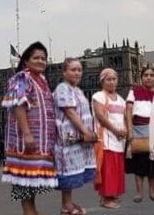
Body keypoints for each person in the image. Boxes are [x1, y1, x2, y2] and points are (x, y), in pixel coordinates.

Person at [1, 41, 57, 215]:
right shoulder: (21, 78)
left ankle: (32, 211)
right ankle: (29, 211)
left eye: (43, 58)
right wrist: (26, 133)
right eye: (36, 58)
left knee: (31, 182)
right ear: (25, 61)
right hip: (24, 142)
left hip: (40, 143)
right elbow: (18, 105)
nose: (41, 61)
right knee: (25, 182)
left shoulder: (42, 81)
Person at [53, 58, 97, 215]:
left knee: (74, 170)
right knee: (67, 170)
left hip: (78, 138)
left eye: (79, 69)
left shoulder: (77, 90)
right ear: (64, 72)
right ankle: (66, 205)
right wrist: (85, 131)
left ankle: (68, 203)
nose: (77, 72)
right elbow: (69, 112)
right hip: (68, 137)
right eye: (73, 69)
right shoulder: (63, 88)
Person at [124, 66, 154, 203]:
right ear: (141, 78)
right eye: (146, 75)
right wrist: (129, 131)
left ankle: (152, 191)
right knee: (139, 162)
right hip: (139, 129)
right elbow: (128, 111)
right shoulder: (134, 92)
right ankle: (138, 192)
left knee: (153, 162)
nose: (148, 77)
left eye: (151, 75)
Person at [92, 68, 127, 209]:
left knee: (116, 169)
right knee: (107, 169)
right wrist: (115, 130)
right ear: (102, 81)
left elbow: (124, 117)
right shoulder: (98, 96)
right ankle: (105, 198)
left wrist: (125, 130)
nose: (112, 82)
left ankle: (112, 195)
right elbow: (100, 116)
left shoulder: (121, 99)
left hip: (118, 140)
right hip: (105, 139)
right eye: (108, 79)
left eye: (114, 79)